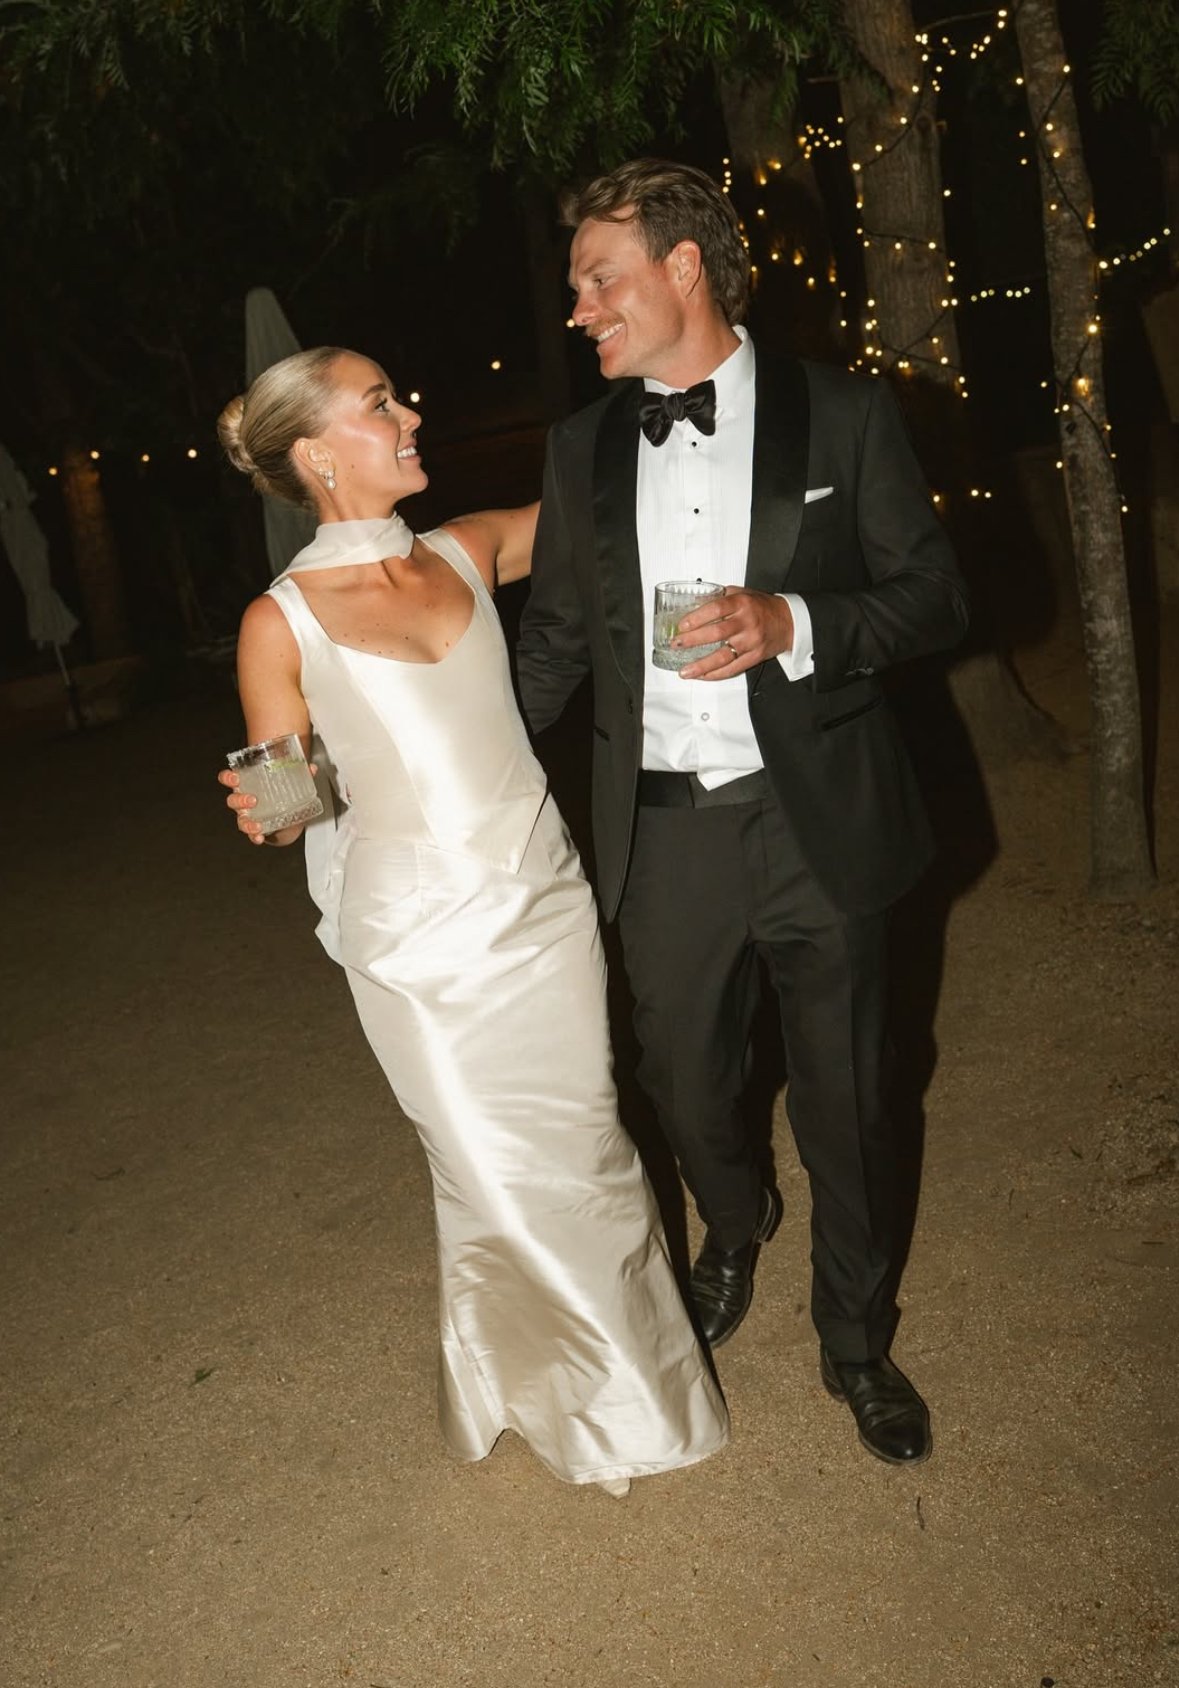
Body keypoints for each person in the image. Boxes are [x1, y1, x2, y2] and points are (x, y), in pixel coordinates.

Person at [515, 159, 970, 1466]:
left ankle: (854, 1343)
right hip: (664, 838)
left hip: (815, 810)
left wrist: (797, 622)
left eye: (597, 281)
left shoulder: (842, 413)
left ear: (681, 267)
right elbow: (548, 646)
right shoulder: (578, 446)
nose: (578, 310)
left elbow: (934, 595)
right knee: (687, 1086)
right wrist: (429, 756)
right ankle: (731, 1224)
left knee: (850, 1099)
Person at [216, 346, 729, 1497]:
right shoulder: (278, 622)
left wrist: (687, 398)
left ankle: (546, 1374)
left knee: (587, 1148)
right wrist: (270, 806)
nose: (412, 411)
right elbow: (294, 806)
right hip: (416, 949)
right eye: (381, 403)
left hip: (539, 906)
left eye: (401, 390)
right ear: (315, 453)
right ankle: (603, 1404)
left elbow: (613, 500)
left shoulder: (468, 546)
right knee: (491, 1163)